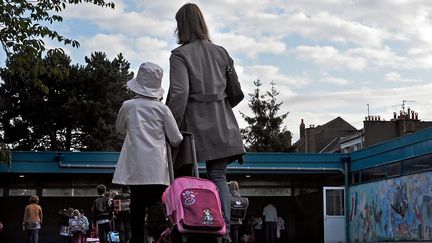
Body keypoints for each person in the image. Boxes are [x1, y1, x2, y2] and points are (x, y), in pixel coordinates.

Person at [167, 3, 246, 242]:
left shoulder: (179, 55)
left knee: (188, 176)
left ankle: (193, 225)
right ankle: (224, 230)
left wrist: (170, 126)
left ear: (181, 26)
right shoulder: (221, 52)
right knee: (219, 175)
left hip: (194, 127)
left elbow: (180, 94)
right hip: (223, 124)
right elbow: (236, 92)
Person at [112, 62, 183, 243]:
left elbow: (119, 129)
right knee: (156, 202)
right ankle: (160, 235)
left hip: (135, 166)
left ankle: (137, 239)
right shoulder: (162, 109)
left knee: (136, 204)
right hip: (157, 167)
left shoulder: (128, 106)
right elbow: (176, 138)